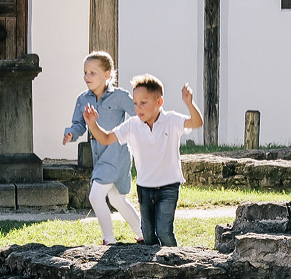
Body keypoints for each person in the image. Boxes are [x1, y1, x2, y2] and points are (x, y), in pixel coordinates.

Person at [85, 75, 203, 247]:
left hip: (169, 186)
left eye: (143, 103)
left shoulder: (171, 120)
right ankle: (152, 268)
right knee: (148, 236)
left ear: (159, 102)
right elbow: (105, 138)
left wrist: (189, 103)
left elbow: (197, 122)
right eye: (135, 103)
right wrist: (92, 124)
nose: (138, 108)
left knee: (164, 231)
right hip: (145, 188)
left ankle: (174, 262)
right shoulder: (132, 125)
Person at [62, 51, 139, 245]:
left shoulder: (120, 96)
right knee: (116, 200)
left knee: (97, 196)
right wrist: (71, 133)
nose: (87, 77)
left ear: (107, 74)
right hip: (99, 155)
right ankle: (144, 235)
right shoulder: (82, 99)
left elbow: (140, 113)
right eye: (85, 73)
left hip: (117, 154)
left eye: (92, 73)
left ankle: (109, 240)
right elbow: (78, 124)